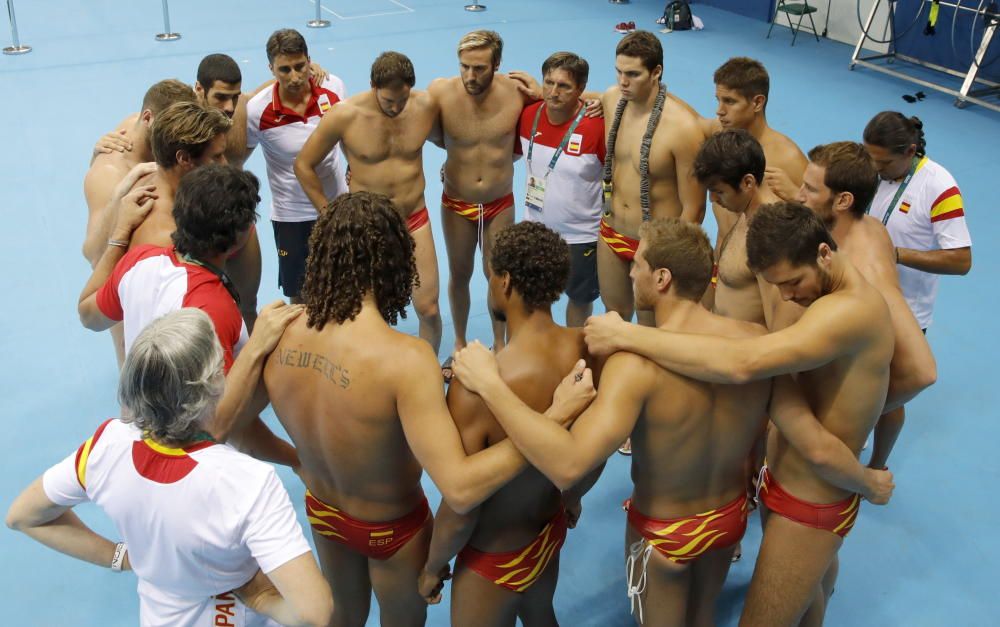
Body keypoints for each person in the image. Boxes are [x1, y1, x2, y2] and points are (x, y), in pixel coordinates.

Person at [451, 217, 893, 626]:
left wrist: (491, 385)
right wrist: (865, 481)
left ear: (661, 278)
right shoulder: (757, 343)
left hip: (663, 538)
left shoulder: (634, 364)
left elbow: (568, 465)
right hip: (727, 521)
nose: (630, 273)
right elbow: (812, 440)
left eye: (638, 265)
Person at [241, 192, 593, 626]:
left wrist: (296, 458)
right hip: (392, 528)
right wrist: (551, 424)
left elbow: (235, 427)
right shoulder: (406, 359)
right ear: (395, 261)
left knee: (344, 617)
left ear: (322, 254)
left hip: (324, 510)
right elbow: (461, 490)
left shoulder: (281, 330)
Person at [582, 202, 896, 626]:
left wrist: (627, 333)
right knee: (809, 598)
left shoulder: (844, 312)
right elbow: (818, 431)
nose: (787, 296)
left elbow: (741, 365)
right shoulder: (761, 331)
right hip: (741, 507)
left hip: (799, 501)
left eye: (792, 282)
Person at [6, 307, 333, 627]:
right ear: (212, 385)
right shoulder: (248, 482)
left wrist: (120, 557)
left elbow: (22, 516)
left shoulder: (106, 445)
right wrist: (262, 599)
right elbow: (315, 613)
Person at [419, 222, 592, 625]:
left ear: (507, 281)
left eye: (491, 274)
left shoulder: (474, 388)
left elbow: (462, 504)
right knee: (541, 615)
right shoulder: (585, 351)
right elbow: (589, 451)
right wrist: (573, 496)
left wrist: (432, 565)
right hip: (548, 531)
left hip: (492, 560)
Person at [77, 164, 296, 466]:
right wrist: (298, 461)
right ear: (239, 237)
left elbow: (89, 316)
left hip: (136, 437)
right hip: (186, 465)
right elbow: (219, 428)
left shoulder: (139, 260)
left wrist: (119, 235)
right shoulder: (213, 309)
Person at [800, 141, 937, 468]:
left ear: (843, 200)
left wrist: (856, 412)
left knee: (890, 383)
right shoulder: (866, 224)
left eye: (808, 189)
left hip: (868, 348)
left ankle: (874, 467)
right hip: (868, 337)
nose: (797, 195)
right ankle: (878, 464)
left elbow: (922, 372)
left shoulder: (866, 270)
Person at [296, 51, 443, 353]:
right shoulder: (345, 115)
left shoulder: (426, 105)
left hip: (413, 217)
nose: (396, 108)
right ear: (373, 86)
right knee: (364, 314)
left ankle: (428, 369)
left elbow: (458, 136)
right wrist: (328, 215)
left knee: (428, 308)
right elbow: (303, 164)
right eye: (389, 101)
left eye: (402, 100)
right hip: (368, 227)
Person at [430, 30, 543, 357]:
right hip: (456, 202)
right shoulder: (440, 92)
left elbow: (563, 106)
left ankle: (500, 345)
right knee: (460, 273)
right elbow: (410, 119)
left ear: (497, 64)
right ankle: (460, 341)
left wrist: (538, 92)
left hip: (499, 202)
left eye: (479, 68)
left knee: (498, 274)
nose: (470, 75)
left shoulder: (518, 93)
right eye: (464, 66)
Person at [598, 30, 706, 326]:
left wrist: (668, 257)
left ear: (656, 71)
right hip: (611, 232)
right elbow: (580, 96)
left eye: (632, 74)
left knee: (651, 331)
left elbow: (694, 208)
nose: (623, 82)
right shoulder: (611, 99)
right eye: (619, 72)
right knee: (613, 319)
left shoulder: (683, 128)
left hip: (655, 247)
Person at [246, 29, 347, 302]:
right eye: (284, 69)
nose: (294, 76)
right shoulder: (257, 111)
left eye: (300, 66)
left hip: (337, 205)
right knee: (301, 298)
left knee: (344, 289)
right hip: (291, 218)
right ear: (271, 69)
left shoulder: (334, 88)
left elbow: (351, 139)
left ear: (309, 60)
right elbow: (234, 158)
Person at [515, 52, 605, 327]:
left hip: (581, 236)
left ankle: (573, 358)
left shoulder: (598, 125)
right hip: (535, 231)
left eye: (564, 86)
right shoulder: (527, 115)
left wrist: (602, 100)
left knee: (578, 301)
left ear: (580, 89)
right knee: (533, 299)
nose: (553, 93)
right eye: (548, 83)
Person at [83, 80, 197, 267]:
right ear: (147, 118)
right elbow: (93, 254)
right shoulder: (109, 173)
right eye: (172, 128)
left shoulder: (144, 120)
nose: (179, 137)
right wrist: (120, 195)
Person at [704, 57, 809, 247]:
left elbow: (822, 226)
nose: (719, 111)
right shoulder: (718, 139)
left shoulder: (788, 158)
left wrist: (797, 196)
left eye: (729, 101)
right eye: (718, 100)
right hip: (719, 268)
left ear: (757, 103)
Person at [692, 129, 780, 323]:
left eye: (719, 192)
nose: (712, 199)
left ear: (748, 182)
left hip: (743, 350)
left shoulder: (770, 237)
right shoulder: (745, 214)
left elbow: (778, 328)